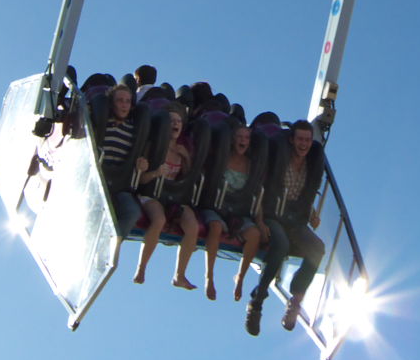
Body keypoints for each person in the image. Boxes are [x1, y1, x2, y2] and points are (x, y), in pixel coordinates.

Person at [246, 119, 325, 336]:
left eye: (307, 140)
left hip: (295, 219)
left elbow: (306, 194)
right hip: (273, 214)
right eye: (300, 139)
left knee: (317, 248)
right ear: (292, 140)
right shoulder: (279, 160)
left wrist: (310, 212)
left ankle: (296, 300)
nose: (304, 144)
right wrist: (260, 220)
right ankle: (257, 301)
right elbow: (263, 190)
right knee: (280, 245)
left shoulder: (310, 165)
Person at [88, 84, 165, 281]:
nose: (123, 105)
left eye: (127, 102)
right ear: (111, 103)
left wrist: (143, 162)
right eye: (119, 101)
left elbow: (141, 154)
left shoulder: (134, 130)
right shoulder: (100, 124)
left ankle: (108, 250)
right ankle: (88, 249)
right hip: (99, 183)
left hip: (121, 183)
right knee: (97, 213)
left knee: (132, 212)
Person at [138, 104, 205, 290]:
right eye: (171, 121)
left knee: (192, 225)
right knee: (158, 220)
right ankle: (142, 267)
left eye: (179, 121)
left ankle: (179, 275)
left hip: (173, 198)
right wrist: (155, 172)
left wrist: (186, 159)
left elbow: (188, 179)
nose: (175, 124)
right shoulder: (153, 146)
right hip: (152, 194)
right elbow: (141, 179)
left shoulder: (182, 150)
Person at [200, 120, 266, 303]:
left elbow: (257, 194)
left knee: (253, 234)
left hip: (238, 211)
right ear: (232, 139)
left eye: (246, 137)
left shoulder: (251, 165)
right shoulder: (222, 158)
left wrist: (259, 220)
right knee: (215, 227)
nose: (243, 141)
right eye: (239, 137)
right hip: (217, 207)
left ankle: (240, 278)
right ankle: (209, 277)